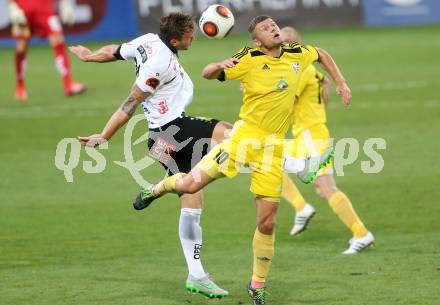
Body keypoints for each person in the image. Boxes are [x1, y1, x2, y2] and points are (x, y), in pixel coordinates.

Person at [135, 16, 352, 305]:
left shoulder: (297, 53)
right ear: (256, 40)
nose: (273, 28)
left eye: (274, 25)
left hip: (271, 150)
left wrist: (341, 82)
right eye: (266, 28)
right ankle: (156, 189)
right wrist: (219, 65)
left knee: (267, 222)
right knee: (188, 186)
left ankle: (257, 285)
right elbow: (207, 72)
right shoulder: (248, 58)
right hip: (242, 141)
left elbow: (322, 54)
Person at [69, 13, 231, 299]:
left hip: (158, 141)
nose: (194, 37)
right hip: (173, 130)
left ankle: (196, 275)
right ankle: (299, 163)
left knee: (192, 197)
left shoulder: (146, 42)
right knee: (234, 135)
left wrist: (89, 57)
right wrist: (104, 136)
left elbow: (114, 51)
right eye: (190, 35)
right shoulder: (160, 63)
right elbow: (130, 102)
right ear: (174, 40)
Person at [280, 26, 374, 254]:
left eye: (280, 44)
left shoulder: (298, 70)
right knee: (323, 188)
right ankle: (305, 209)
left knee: (260, 156)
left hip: (310, 137)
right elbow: (326, 85)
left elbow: (284, 101)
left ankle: (361, 233)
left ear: (288, 46)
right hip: (314, 133)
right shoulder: (310, 69)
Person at [7, 0, 86, 100]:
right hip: (24, 9)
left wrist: (65, 5)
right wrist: (12, 6)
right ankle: (20, 87)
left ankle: (68, 84)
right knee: (21, 47)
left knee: (58, 41)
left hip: (45, 9)